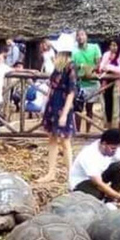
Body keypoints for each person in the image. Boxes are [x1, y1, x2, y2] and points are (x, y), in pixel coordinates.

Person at [38, 33, 77, 183]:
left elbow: (71, 92)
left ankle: (71, 175)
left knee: (65, 141)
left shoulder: (70, 66)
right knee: (52, 138)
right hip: (52, 103)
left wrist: (64, 114)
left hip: (62, 104)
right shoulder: (57, 66)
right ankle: (51, 172)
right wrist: (45, 104)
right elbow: (51, 86)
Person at [68, 129, 120, 207]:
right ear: (104, 144)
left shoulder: (112, 149)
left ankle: (110, 200)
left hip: (99, 176)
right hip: (82, 183)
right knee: (97, 194)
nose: (114, 151)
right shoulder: (89, 155)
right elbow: (98, 184)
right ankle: (105, 200)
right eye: (113, 148)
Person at [72, 29, 101, 133]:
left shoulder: (94, 48)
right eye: (78, 35)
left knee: (89, 108)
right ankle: (78, 132)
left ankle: (88, 132)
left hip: (92, 83)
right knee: (78, 109)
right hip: (80, 84)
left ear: (86, 36)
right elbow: (73, 67)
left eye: (82, 35)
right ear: (76, 38)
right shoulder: (74, 52)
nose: (80, 37)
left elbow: (98, 63)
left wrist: (90, 70)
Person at [98, 39, 120, 129]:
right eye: (111, 45)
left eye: (115, 45)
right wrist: (108, 61)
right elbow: (101, 67)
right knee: (108, 106)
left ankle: (118, 128)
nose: (113, 47)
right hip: (108, 83)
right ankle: (109, 128)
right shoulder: (107, 54)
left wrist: (109, 67)